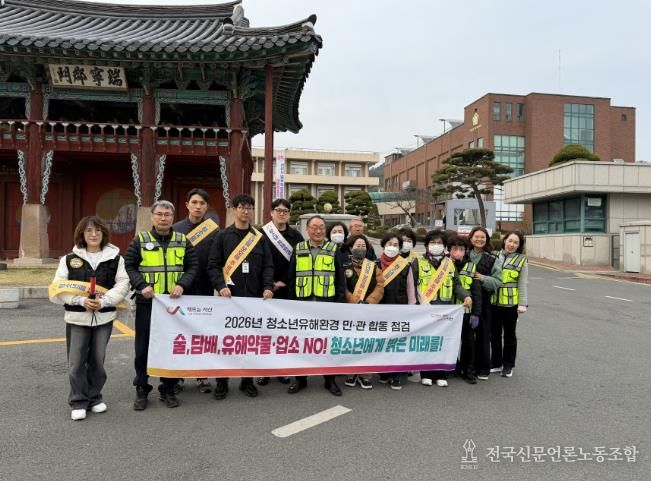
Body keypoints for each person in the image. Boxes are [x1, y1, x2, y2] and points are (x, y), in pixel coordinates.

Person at [50, 216, 130, 421]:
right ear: (82, 234)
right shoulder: (69, 259)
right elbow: (59, 285)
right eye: (88, 231)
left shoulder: (116, 258)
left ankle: (94, 397)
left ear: (104, 233)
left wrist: (104, 302)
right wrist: (79, 300)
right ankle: (78, 401)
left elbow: (122, 284)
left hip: (104, 317)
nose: (93, 234)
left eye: (97, 230)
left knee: (97, 360)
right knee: (76, 362)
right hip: (77, 317)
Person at [125, 200, 198, 410]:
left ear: (173, 218)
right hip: (148, 303)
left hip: (173, 306)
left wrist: (182, 284)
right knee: (143, 348)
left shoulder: (182, 240)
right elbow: (129, 265)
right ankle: (142, 387)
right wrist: (141, 285)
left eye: (167, 215)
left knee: (171, 347)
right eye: (159, 214)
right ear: (152, 216)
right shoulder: (140, 240)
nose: (163, 218)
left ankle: (168, 387)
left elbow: (193, 266)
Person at [208, 194, 275, 400]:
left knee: (249, 341)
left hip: (254, 299)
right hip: (228, 299)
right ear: (234, 209)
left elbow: (268, 266)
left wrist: (268, 287)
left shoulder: (259, 238)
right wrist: (220, 286)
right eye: (242, 207)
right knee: (226, 342)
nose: (246, 211)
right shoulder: (222, 236)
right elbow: (213, 265)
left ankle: (247, 380)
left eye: (250, 208)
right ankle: (222, 381)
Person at [287, 215, 345, 396]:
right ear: (307, 230)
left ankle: (330, 380)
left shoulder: (333, 249)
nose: (318, 231)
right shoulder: (299, 248)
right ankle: (300, 379)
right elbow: (291, 277)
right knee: (301, 344)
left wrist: (339, 304)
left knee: (327, 345)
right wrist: (290, 304)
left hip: (326, 305)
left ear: (325, 230)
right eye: (314, 227)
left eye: (321, 227)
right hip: (302, 305)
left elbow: (340, 280)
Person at [172, 188, 220, 394]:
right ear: (187, 205)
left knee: (201, 334)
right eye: (194, 202)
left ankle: (201, 375)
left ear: (206, 207)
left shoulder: (214, 231)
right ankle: (177, 376)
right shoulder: (176, 229)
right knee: (179, 333)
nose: (198, 206)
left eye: (202, 203)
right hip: (180, 289)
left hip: (205, 288)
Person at [413, 230, 472, 387]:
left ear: (444, 246)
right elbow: (412, 285)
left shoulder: (449, 264)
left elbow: (457, 285)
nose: (436, 245)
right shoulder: (418, 261)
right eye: (433, 243)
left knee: (442, 342)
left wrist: (466, 296)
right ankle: (426, 373)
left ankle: (441, 374)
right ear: (426, 245)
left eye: (439, 243)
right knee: (427, 342)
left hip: (445, 310)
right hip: (425, 309)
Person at [257, 198, 303, 386]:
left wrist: (284, 281)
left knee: (283, 332)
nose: (282, 213)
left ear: (289, 214)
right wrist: (269, 283)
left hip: (287, 288)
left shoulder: (296, 236)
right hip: (264, 289)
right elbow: (257, 262)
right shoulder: (261, 233)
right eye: (279, 210)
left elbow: (299, 262)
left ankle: (281, 369)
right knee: (265, 332)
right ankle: (264, 370)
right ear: (271, 212)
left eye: (285, 211)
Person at [342, 234, 384, 390]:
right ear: (351, 248)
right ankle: (350, 373)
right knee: (350, 343)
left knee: (366, 343)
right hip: (350, 311)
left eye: (363, 246)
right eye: (357, 246)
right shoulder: (345, 266)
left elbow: (380, 286)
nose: (360, 249)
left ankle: (365, 374)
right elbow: (342, 287)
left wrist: (369, 302)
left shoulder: (374, 267)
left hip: (369, 311)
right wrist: (355, 301)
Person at [377, 232, 417, 390]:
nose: (392, 248)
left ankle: (397, 375)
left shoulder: (405, 265)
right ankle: (384, 372)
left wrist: (412, 308)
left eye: (395, 245)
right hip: (380, 308)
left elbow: (411, 290)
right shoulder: (375, 264)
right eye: (389, 244)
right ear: (383, 245)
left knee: (398, 343)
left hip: (400, 309)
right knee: (383, 342)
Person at [467, 226, 502, 381]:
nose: (479, 239)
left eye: (483, 237)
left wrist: (483, 278)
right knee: (466, 336)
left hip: (485, 302)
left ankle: (483, 367)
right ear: (470, 238)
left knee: (483, 335)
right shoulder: (463, 255)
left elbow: (498, 281)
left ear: (487, 240)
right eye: (476, 236)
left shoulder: (492, 259)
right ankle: (466, 366)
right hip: (465, 301)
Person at [491, 231, 528, 378]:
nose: (512, 244)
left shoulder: (521, 260)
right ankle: (496, 363)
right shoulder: (494, 255)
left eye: (516, 242)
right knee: (494, 335)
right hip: (493, 302)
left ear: (519, 246)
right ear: (504, 240)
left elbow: (522, 283)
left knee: (509, 336)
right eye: (510, 241)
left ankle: (508, 365)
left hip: (510, 305)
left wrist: (522, 303)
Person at [448, 236, 483, 384]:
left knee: (468, 342)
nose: (458, 252)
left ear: (465, 251)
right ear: (449, 250)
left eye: (461, 249)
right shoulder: (443, 266)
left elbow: (477, 292)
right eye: (455, 249)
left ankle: (468, 370)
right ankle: (452, 367)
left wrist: (476, 313)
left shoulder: (471, 267)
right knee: (449, 341)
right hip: (448, 313)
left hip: (466, 312)